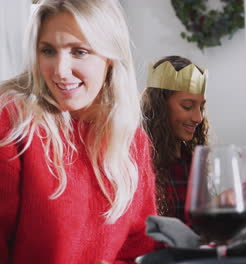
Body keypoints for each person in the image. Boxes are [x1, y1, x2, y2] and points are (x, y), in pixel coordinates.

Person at [0, 0, 160, 263]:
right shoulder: (13, 122)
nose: (60, 71)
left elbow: (140, 248)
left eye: (79, 52)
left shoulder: (132, 142)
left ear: (110, 58)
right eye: (48, 51)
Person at [141, 56, 208, 224]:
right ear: (160, 106)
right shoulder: (138, 161)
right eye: (187, 106)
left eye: (201, 107)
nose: (198, 117)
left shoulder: (191, 160)